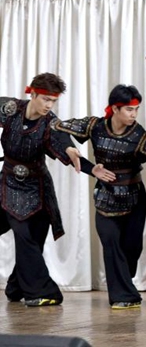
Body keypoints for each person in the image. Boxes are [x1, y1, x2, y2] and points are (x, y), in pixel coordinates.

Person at [54, 84, 146, 309]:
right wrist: (86, 164)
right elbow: (57, 128)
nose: (134, 114)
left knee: (132, 249)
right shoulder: (94, 126)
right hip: (104, 198)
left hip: (134, 200)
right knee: (111, 244)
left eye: (137, 109)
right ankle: (123, 297)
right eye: (129, 110)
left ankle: (125, 280)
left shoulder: (139, 135)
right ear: (115, 108)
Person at [0, 74, 97, 307]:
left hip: (37, 189)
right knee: (25, 236)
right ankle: (38, 290)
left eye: (52, 101)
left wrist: (83, 161)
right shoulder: (11, 108)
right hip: (8, 183)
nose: (48, 105)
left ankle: (24, 288)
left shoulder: (51, 123)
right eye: (44, 99)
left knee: (31, 238)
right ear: (32, 94)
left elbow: (64, 143)